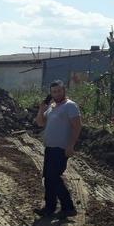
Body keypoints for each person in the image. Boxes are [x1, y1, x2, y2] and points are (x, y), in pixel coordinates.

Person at [34, 79, 82, 218]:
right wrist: (41, 109)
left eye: (59, 91)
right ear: (51, 93)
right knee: (48, 178)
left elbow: (77, 126)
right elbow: (40, 123)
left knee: (53, 177)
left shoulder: (70, 106)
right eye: (54, 91)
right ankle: (50, 207)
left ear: (64, 90)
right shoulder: (52, 106)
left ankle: (68, 207)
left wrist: (71, 145)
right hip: (50, 148)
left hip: (61, 148)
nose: (56, 93)